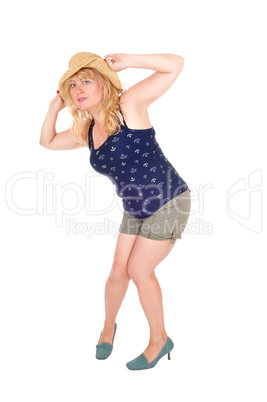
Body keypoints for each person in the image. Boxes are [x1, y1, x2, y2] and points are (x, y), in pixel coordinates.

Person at [40, 52, 191, 370]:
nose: (78, 88)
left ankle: (159, 340)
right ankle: (108, 329)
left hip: (168, 201)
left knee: (139, 270)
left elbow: (175, 64)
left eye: (86, 80)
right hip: (134, 209)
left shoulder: (129, 105)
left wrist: (130, 60)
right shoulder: (88, 131)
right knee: (117, 273)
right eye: (72, 85)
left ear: (103, 84)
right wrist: (54, 107)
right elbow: (49, 142)